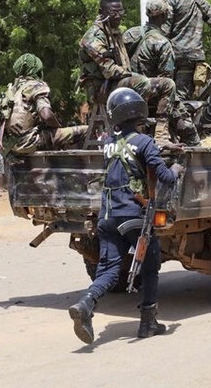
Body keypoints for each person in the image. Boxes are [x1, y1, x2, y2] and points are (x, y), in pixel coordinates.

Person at [68, 87, 184, 344]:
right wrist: (176, 167)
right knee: (151, 265)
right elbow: (164, 177)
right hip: (133, 217)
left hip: (107, 216)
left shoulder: (108, 143)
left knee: (109, 268)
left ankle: (86, 304)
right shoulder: (144, 142)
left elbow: (129, 147)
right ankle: (147, 323)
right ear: (138, 112)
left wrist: (160, 145)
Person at [79, 0, 177, 146]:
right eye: (113, 13)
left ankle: (161, 135)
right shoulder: (93, 37)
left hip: (116, 84)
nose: (118, 16)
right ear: (101, 12)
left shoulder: (115, 32)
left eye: (120, 12)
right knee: (141, 82)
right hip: (101, 89)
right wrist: (133, 75)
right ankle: (137, 132)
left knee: (167, 84)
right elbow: (110, 70)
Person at [123, 0, 200, 146]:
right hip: (149, 94)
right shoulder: (163, 43)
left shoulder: (129, 34)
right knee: (182, 117)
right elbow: (166, 79)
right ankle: (191, 146)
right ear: (164, 16)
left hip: (125, 89)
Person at [0, 53, 88, 155]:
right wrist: (58, 127)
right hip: (29, 142)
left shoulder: (11, 90)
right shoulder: (36, 86)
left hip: (9, 148)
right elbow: (47, 116)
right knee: (86, 130)